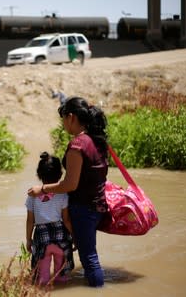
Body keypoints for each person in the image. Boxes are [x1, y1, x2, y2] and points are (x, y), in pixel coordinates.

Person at [28, 97, 108, 287]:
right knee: (89, 252)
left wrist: (43, 189)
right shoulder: (96, 140)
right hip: (98, 205)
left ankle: (98, 289)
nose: (63, 124)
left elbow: (70, 184)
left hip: (84, 209)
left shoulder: (77, 145)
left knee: (89, 257)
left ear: (71, 117)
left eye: (63, 119)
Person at [26, 152, 75, 286]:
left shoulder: (32, 195)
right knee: (62, 278)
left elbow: (30, 221)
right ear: (60, 174)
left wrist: (28, 240)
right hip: (61, 239)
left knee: (42, 279)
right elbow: (66, 220)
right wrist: (74, 237)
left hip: (42, 240)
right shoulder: (63, 194)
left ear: (39, 175)